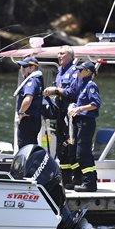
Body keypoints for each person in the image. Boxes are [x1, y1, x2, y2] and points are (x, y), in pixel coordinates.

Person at [43, 46, 81, 188]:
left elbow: (74, 92)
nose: (59, 56)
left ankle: (77, 178)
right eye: (58, 53)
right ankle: (66, 181)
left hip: (70, 117)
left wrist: (57, 90)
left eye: (62, 54)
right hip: (60, 115)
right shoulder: (59, 72)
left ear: (70, 56)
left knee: (71, 147)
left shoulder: (74, 72)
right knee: (61, 149)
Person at [67, 61, 102, 192]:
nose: (78, 72)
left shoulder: (91, 85)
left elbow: (95, 103)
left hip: (86, 123)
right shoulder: (82, 85)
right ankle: (81, 179)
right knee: (75, 151)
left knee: (83, 153)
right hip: (79, 122)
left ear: (88, 71)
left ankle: (90, 183)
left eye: (81, 70)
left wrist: (79, 109)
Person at [14, 56, 44, 148]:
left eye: (24, 67)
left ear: (32, 67)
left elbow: (28, 99)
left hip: (28, 119)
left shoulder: (32, 81)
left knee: (24, 147)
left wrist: (21, 113)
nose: (21, 69)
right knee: (31, 146)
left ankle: (27, 162)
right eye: (21, 67)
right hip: (34, 120)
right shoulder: (38, 79)